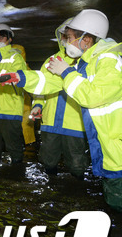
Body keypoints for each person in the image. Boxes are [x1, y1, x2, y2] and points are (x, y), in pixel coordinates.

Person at [3, 9, 122, 210]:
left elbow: (92, 96)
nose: (66, 42)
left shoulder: (108, 61)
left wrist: (66, 72)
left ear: (86, 39)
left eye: (70, 37)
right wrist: (21, 78)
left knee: (113, 201)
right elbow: (48, 81)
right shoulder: (88, 61)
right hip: (109, 146)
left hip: (115, 147)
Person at [11, 18, 89, 178]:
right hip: (50, 122)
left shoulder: (85, 61)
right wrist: (38, 105)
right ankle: (51, 190)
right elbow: (41, 87)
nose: (66, 40)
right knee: (48, 161)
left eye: (69, 36)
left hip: (74, 124)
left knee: (77, 165)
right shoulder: (50, 61)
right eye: (64, 36)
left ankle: (76, 193)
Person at [0, 24, 27, 163]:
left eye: (2, 36)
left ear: (9, 39)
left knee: (14, 148)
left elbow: (13, 76)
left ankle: (17, 176)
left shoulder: (16, 58)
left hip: (9, 111)